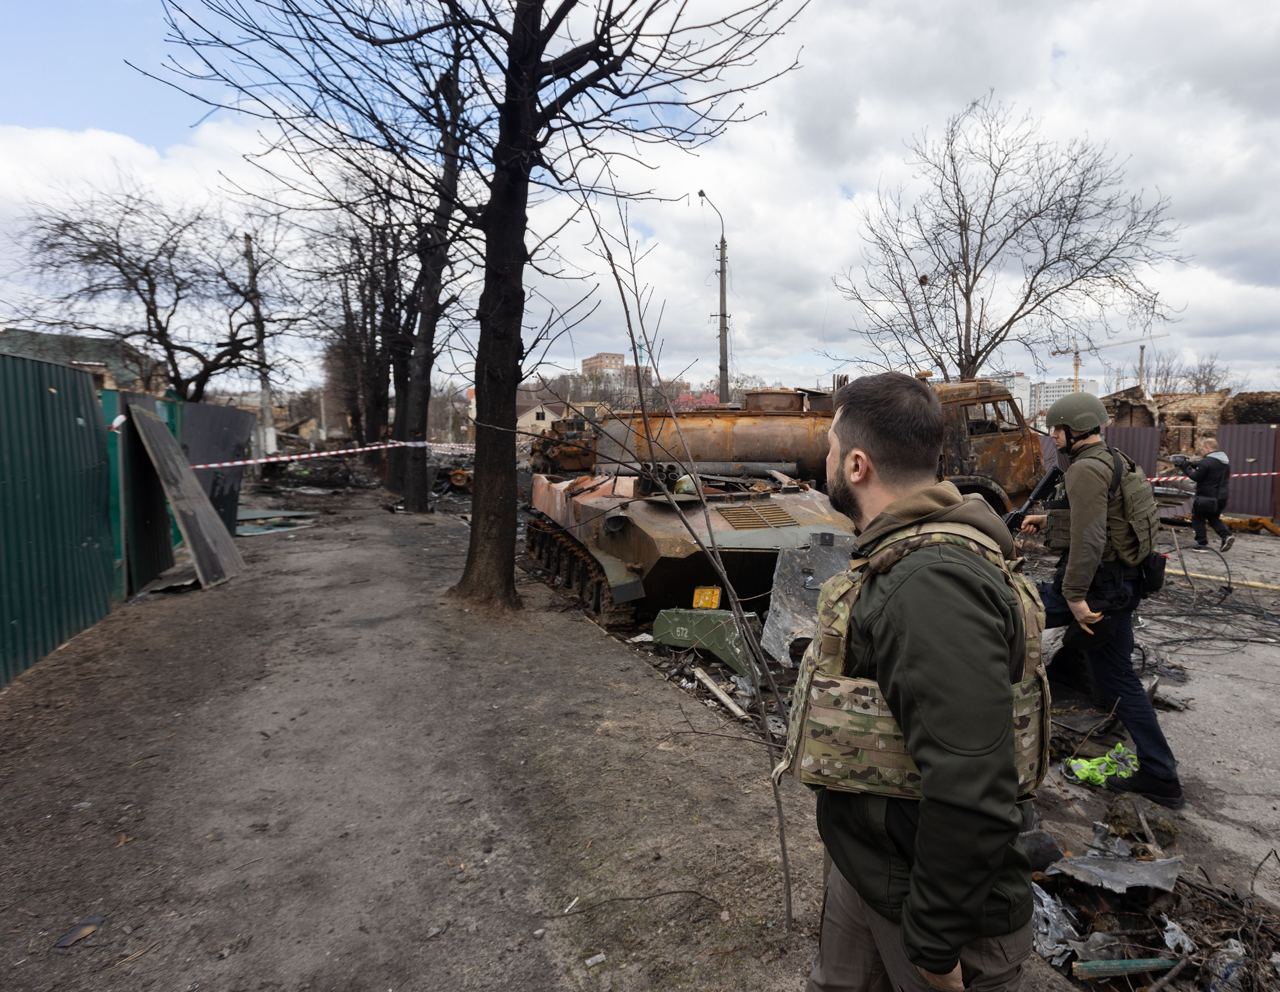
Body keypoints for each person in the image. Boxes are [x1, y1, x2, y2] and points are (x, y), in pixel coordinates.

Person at [788, 373, 1037, 992]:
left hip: (931, 912)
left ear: (857, 465)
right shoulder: (898, 557)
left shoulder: (930, 584)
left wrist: (934, 946)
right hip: (873, 867)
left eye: (829, 448)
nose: (823, 461)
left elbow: (972, 786)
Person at [1020, 392, 1184, 809]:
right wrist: (1048, 519)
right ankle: (1160, 772)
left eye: (1056, 430)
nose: (1053, 437)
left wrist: (1075, 597)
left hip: (1097, 588)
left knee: (1007, 612)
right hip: (1121, 584)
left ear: (1073, 430)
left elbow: (1090, 540)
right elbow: (1104, 518)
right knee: (1117, 677)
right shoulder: (1115, 460)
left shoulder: (1084, 470)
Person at [1174, 438, 1233, 551]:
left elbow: (1196, 477)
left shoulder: (1206, 462)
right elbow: (1209, 472)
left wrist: (1184, 466)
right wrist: (1193, 464)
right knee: (1213, 518)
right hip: (1221, 498)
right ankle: (1226, 535)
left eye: (1202, 448)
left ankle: (1202, 544)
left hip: (1206, 496)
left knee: (1197, 518)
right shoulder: (1225, 463)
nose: (1201, 450)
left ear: (1207, 447)